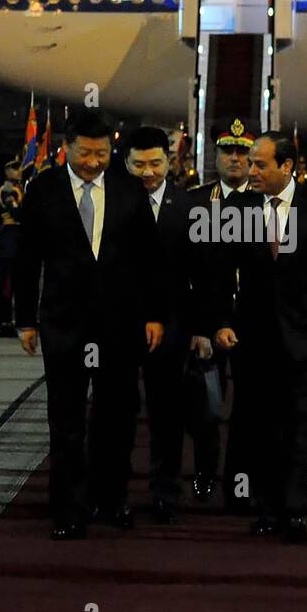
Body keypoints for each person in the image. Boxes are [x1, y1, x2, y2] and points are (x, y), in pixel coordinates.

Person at [14, 110, 164, 539]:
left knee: (117, 416)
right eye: (85, 153)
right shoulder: (43, 189)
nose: (94, 162)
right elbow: (27, 259)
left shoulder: (128, 188)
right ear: (66, 148)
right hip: (64, 322)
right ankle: (67, 508)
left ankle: (112, 498)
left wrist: (154, 314)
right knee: (66, 419)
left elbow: (150, 259)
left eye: (102, 154)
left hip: (120, 323)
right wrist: (24, 320)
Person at [211, 131, 307, 541]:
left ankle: (293, 509)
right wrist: (221, 321)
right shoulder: (237, 207)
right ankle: (266, 508)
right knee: (260, 426)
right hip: (251, 339)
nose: (251, 170)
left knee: (298, 424)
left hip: (306, 337)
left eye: (260, 164)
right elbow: (219, 271)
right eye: (250, 163)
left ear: (287, 166)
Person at [126, 126, 195, 522]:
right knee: (115, 409)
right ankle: (110, 490)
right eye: (139, 164)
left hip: (172, 322)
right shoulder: (109, 201)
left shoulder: (189, 206)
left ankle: (165, 491)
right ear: (127, 162)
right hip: (120, 320)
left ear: (169, 162)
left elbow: (205, 271)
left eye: (155, 163)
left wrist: (203, 327)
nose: (148, 172)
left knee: (166, 412)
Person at [184, 121, 255, 508]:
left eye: (243, 152)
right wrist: (198, 326)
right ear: (216, 155)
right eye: (228, 151)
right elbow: (186, 271)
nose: (235, 158)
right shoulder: (195, 202)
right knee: (207, 406)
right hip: (208, 321)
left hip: (252, 320)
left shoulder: (266, 203)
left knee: (249, 409)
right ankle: (204, 472)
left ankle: (241, 483)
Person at [0, 168, 24, 338]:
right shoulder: (8, 190)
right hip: (8, 241)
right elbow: (16, 213)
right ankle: (3, 322)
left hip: (17, 242)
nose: (19, 171)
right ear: (7, 171)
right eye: (15, 168)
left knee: (16, 285)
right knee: (6, 286)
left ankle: (13, 321)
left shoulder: (19, 188)